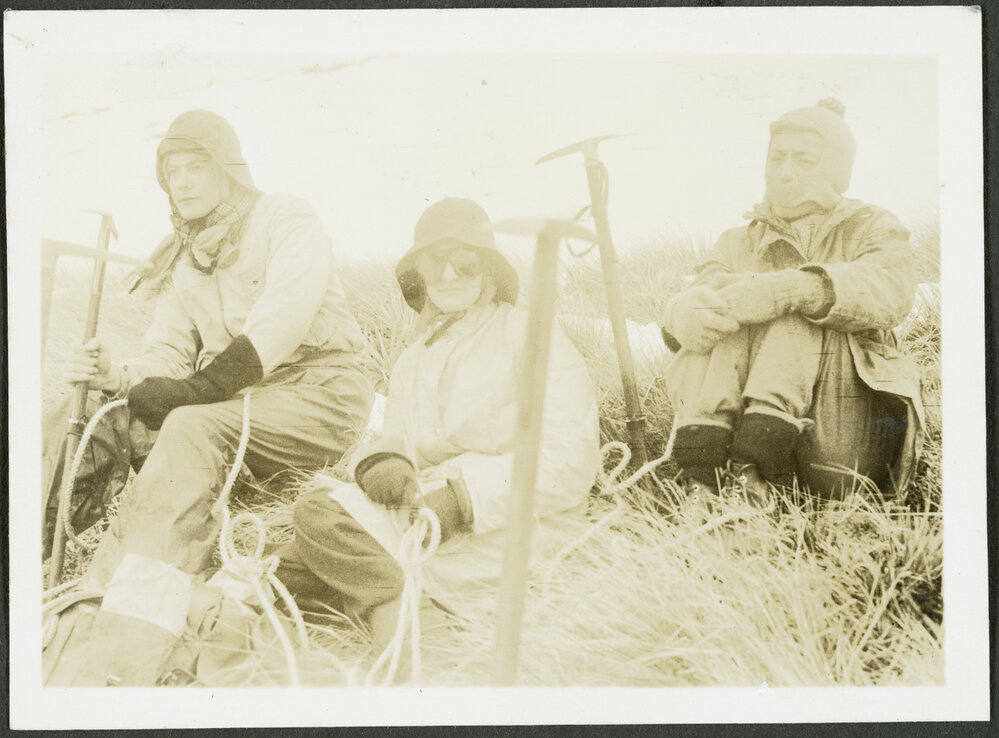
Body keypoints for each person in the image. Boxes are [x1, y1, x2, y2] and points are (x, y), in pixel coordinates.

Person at [49, 110, 373, 685]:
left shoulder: (286, 216)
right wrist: (117, 379)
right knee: (89, 416)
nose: (184, 182)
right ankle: (39, 563)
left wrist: (194, 394)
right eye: (172, 172)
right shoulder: (183, 255)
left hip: (322, 393)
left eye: (197, 167)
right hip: (238, 402)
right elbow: (167, 355)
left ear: (229, 171)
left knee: (191, 426)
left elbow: (283, 320)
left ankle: (134, 635)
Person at [273, 197, 601, 660]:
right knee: (286, 569)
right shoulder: (414, 359)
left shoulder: (529, 334)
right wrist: (386, 463)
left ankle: (414, 648)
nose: (448, 276)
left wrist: (463, 500)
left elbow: (569, 461)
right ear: (418, 274)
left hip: (517, 523)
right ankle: (406, 603)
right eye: (434, 262)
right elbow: (403, 442)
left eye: (465, 262)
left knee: (317, 519)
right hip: (427, 519)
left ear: (489, 270)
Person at [660, 99, 924, 504]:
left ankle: (754, 464)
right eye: (777, 158)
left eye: (804, 160)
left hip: (841, 445)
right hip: (738, 440)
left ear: (835, 168)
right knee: (717, 306)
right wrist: (683, 314)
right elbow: (700, 293)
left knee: (793, 300)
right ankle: (710, 478)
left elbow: (893, 287)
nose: (784, 173)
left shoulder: (874, 224)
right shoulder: (736, 240)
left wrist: (791, 291)